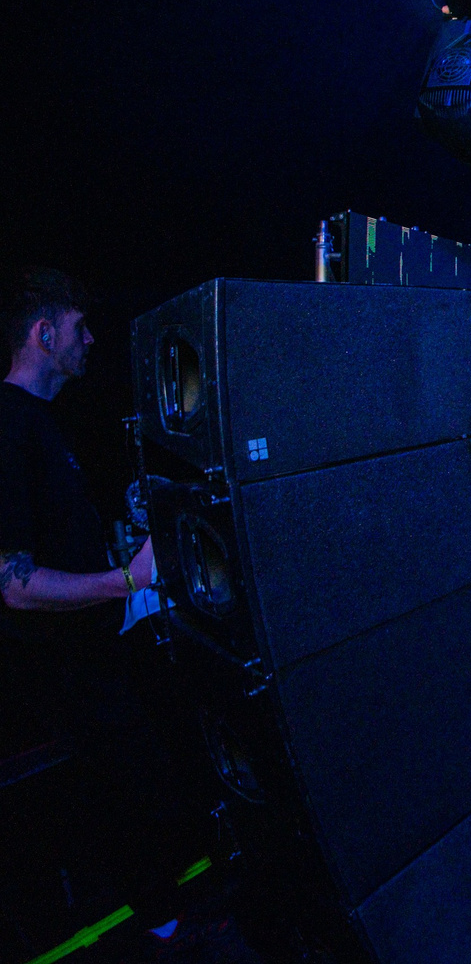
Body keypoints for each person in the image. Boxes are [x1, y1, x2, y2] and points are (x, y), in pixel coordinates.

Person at [1, 267, 195, 951]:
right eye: (79, 328)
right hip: (64, 669)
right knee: (124, 793)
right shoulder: (8, 425)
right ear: (44, 334)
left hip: (95, 649)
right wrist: (125, 580)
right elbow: (14, 585)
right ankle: (165, 927)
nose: (90, 340)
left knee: (151, 771)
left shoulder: (41, 425)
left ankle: (173, 906)